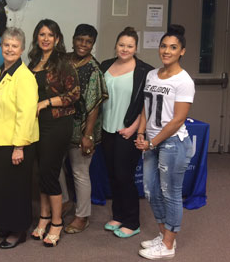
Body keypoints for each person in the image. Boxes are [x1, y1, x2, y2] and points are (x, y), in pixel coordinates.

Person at [135, 24, 195, 260]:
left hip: (173, 143)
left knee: (171, 193)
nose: (167, 51)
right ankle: (164, 235)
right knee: (151, 191)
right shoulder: (152, 74)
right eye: (163, 46)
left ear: (182, 51)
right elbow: (145, 107)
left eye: (173, 47)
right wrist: (141, 133)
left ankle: (169, 244)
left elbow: (178, 119)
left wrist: (152, 142)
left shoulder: (184, 80)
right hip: (151, 141)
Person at [28, 20, 80, 247]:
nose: (46, 38)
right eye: (42, 34)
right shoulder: (33, 63)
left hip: (57, 124)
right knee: (41, 172)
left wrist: (45, 103)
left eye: (50, 34)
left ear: (57, 39)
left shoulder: (63, 63)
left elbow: (74, 94)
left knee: (50, 173)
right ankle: (44, 217)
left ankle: (56, 222)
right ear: (37, 38)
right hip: (36, 126)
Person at [0, 27, 39, 249]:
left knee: (17, 189)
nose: (9, 49)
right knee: (4, 187)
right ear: (1, 47)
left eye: (14, 46)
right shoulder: (3, 71)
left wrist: (19, 146)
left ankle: (19, 231)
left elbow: (26, 114)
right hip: (1, 140)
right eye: (6, 44)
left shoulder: (24, 77)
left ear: (22, 49)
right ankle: (7, 224)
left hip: (17, 143)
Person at [100, 27, 154, 238]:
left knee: (125, 176)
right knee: (113, 175)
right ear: (116, 45)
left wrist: (134, 129)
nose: (125, 49)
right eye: (121, 45)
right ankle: (118, 215)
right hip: (107, 129)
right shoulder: (105, 65)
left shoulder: (145, 71)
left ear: (136, 48)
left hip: (128, 131)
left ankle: (132, 222)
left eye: (129, 46)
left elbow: (147, 105)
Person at [63, 24, 108, 235]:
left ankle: (82, 216)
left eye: (88, 41)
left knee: (80, 172)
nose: (83, 44)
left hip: (82, 128)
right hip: (60, 124)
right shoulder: (64, 60)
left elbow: (94, 105)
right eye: (80, 39)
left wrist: (87, 135)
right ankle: (64, 201)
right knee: (54, 168)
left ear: (93, 44)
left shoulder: (93, 69)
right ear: (73, 39)